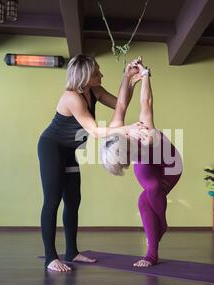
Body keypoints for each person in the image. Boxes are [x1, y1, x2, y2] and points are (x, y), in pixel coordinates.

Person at [38, 55, 148, 272]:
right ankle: (50, 257)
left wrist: (128, 79)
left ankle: (71, 252)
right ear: (85, 76)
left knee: (73, 200)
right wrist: (127, 129)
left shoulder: (93, 90)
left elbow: (120, 105)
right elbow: (95, 131)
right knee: (52, 201)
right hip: (51, 148)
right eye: (97, 73)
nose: (101, 75)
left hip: (69, 151)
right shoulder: (72, 97)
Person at [101, 57, 183, 267]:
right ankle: (152, 253)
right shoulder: (118, 129)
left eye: (125, 160)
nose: (127, 165)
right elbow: (121, 103)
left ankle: (161, 224)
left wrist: (146, 75)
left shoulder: (145, 133)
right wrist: (127, 77)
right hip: (148, 162)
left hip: (170, 166)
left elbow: (145, 101)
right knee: (142, 200)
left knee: (153, 186)